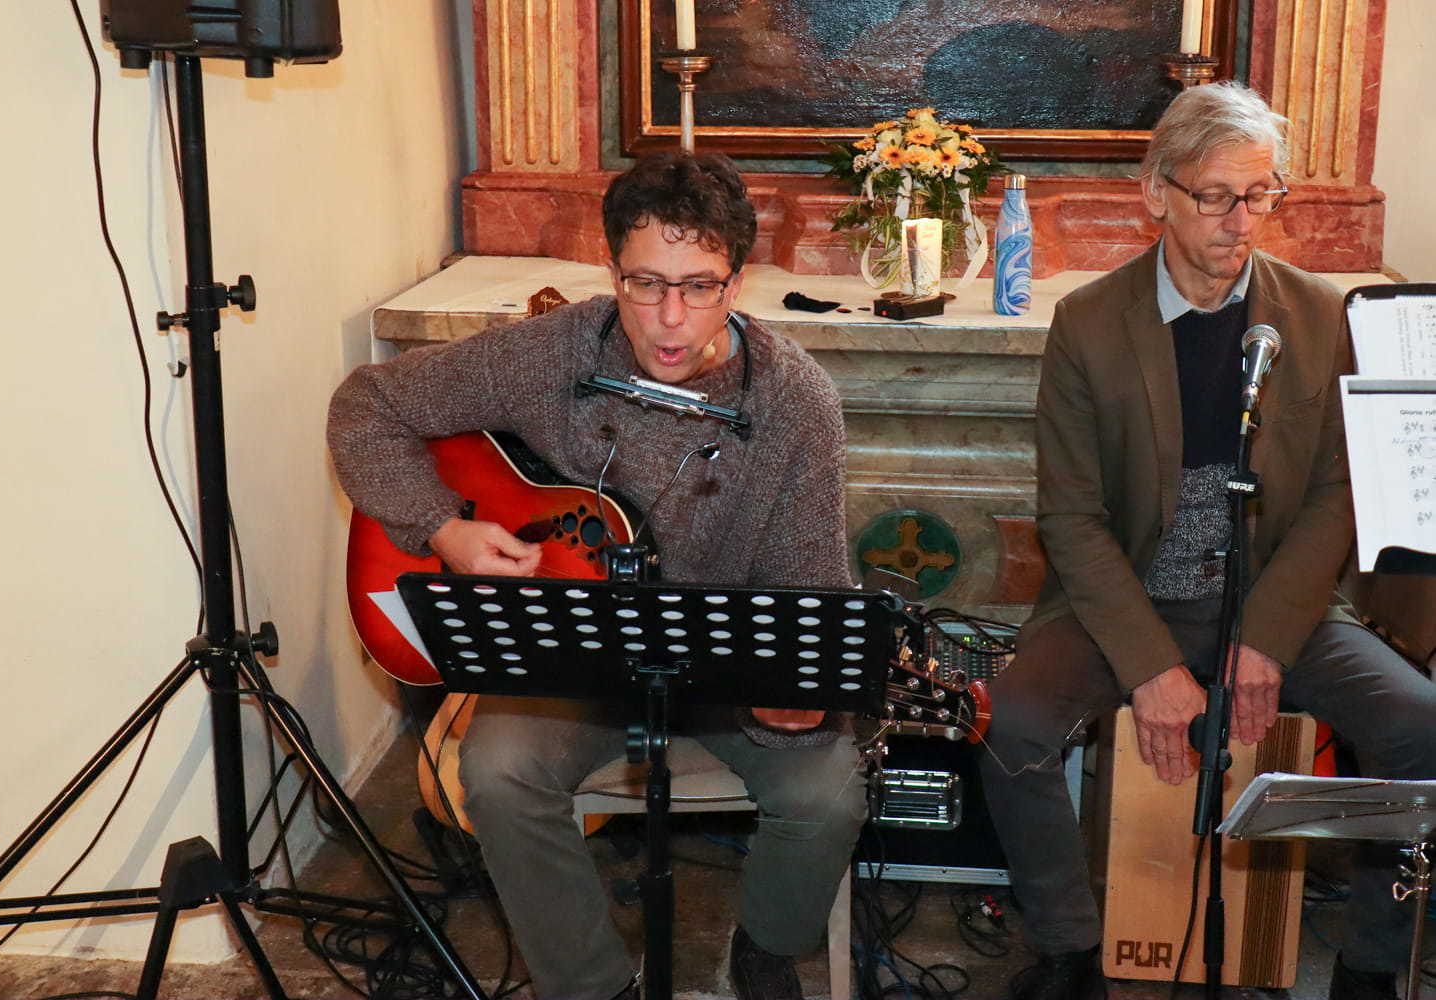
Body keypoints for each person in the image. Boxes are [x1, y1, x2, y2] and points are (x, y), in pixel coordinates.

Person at [327, 151, 866, 1000]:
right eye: (646, 284)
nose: (671, 319)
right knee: (497, 773)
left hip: (724, 675)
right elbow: (367, 406)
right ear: (613, 273)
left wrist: (794, 694)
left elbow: (812, 588)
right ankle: (593, 986)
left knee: (829, 795)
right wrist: (443, 528)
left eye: (701, 286)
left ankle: (765, 946)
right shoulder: (555, 352)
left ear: (736, 283)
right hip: (577, 662)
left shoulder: (796, 400)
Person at [979, 80, 1436, 1000]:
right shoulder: (1089, 322)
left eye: (1262, 195)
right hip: (1126, 597)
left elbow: (1336, 495)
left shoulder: (1317, 312)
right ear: (1157, 192)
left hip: (1274, 597)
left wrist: (1264, 640)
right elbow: (1072, 517)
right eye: (1218, 196)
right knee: (1013, 727)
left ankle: (1370, 964)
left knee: (1422, 727)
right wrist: (1150, 665)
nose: (1242, 222)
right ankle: (1068, 949)